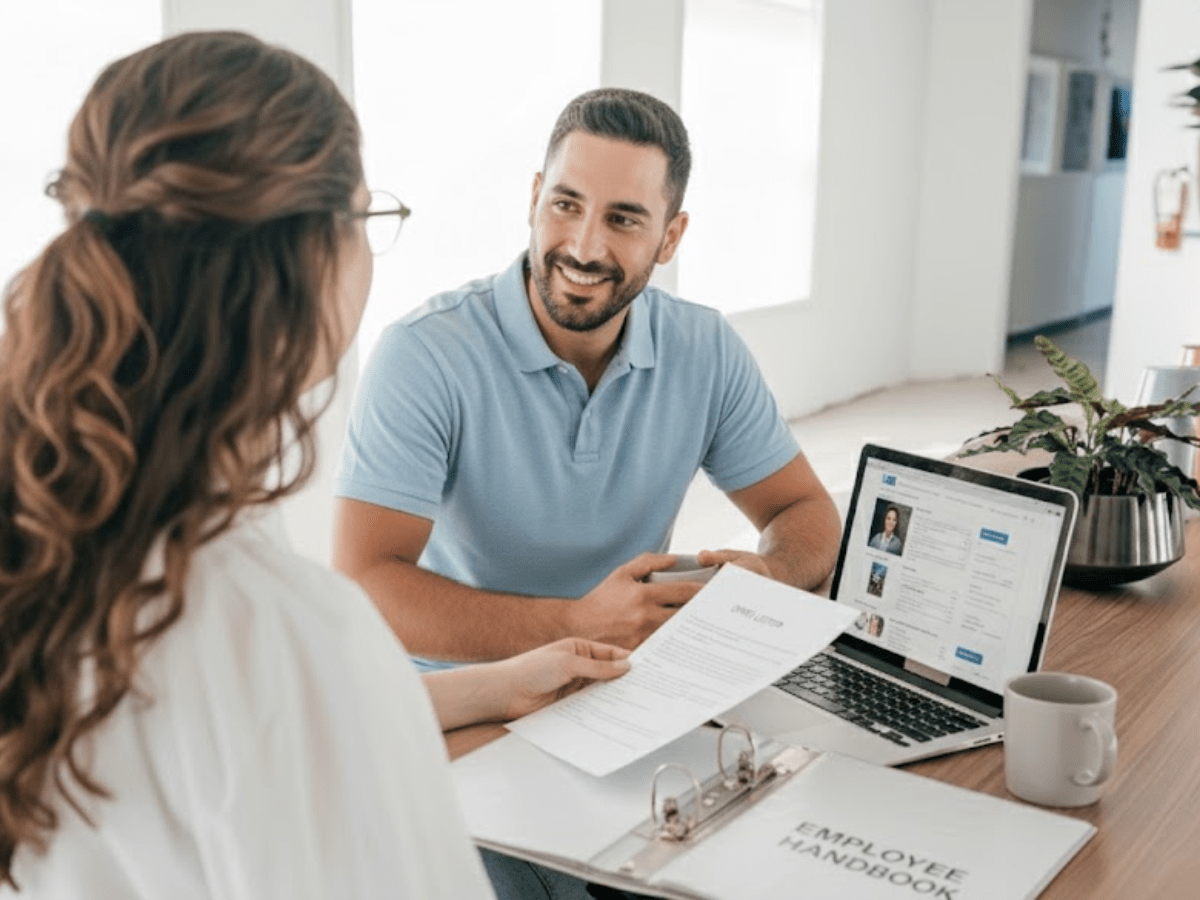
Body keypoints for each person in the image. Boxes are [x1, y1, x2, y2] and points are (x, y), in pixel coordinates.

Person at [0, 31, 633, 899]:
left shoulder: (49, 537)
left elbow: (253, 737)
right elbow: (280, 719)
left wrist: (490, 688)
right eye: (367, 218)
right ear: (314, 266)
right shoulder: (290, 633)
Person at [332, 88, 842, 670]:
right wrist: (576, 626)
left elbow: (803, 509)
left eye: (623, 219)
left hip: (623, 683)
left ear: (670, 238)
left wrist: (769, 575)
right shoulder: (423, 354)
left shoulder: (705, 347)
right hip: (467, 694)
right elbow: (364, 586)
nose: (583, 247)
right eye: (566, 205)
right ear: (533, 199)